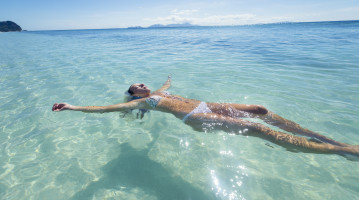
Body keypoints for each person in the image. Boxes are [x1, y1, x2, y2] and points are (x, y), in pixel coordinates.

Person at [52, 76, 359, 156]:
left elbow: (164, 85)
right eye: (137, 87)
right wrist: (74, 107)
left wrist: (169, 79)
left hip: (207, 104)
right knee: (257, 128)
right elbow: (106, 109)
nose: (142, 85)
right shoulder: (143, 104)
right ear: (134, 95)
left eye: (141, 82)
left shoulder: (158, 92)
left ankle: (322, 137)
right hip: (197, 119)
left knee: (261, 110)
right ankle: (341, 150)